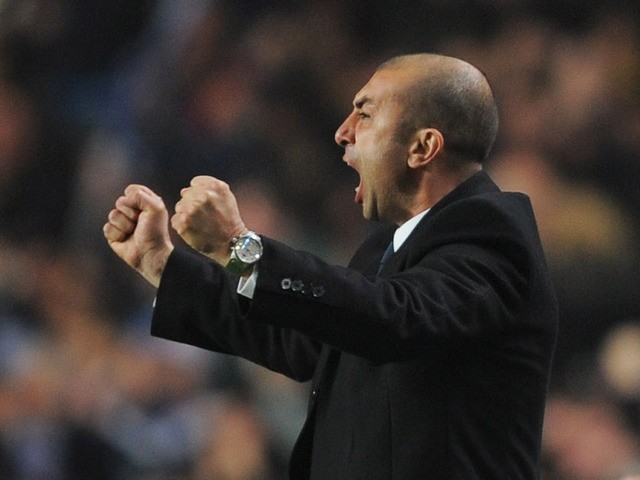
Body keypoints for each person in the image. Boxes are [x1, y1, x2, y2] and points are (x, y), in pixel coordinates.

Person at [103, 53, 558, 479]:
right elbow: (299, 339)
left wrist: (239, 247)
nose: (343, 132)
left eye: (365, 114)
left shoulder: (492, 238)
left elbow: (394, 319)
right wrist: (162, 264)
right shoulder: (384, 251)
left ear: (422, 147)